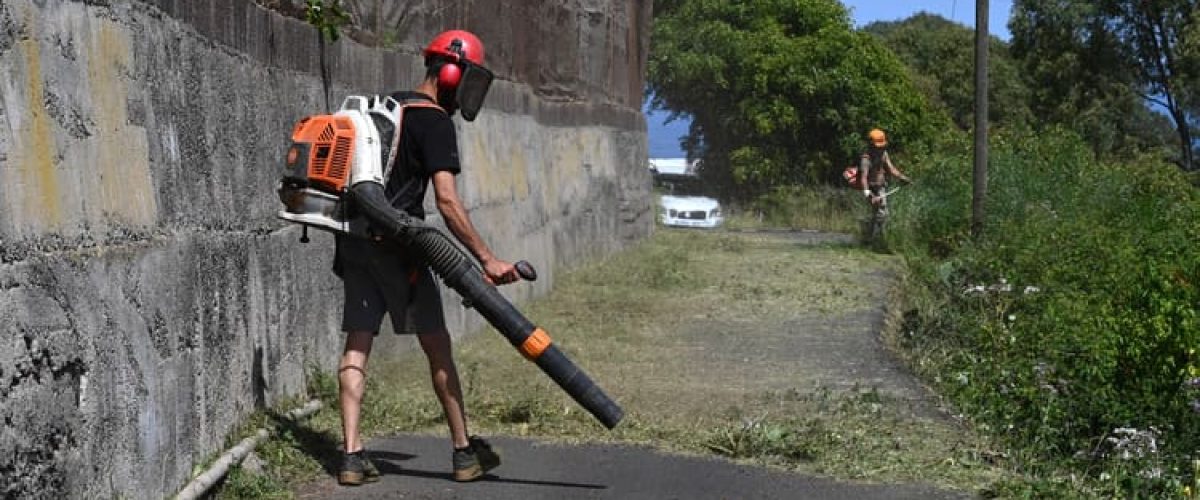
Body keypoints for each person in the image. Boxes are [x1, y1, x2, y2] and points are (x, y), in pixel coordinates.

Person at [334, 29, 518, 486]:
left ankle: (352, 457)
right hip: (405, 249)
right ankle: (462, 452)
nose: (466, 92)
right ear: (452, 72)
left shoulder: (384, 107)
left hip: (356, 243)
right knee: (437, 347)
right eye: (468, 80)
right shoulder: (434, 121)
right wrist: (487, 259)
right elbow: (448, 203)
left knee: (358, 344)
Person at [858, 128, 912, 217]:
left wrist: (904, 178)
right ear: (871, 145)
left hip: (881, 187)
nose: (880, 148)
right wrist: (868, 194)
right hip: (871, 189)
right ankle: (873, 229)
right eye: (877, 147)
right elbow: (863, 178)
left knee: (882, 212)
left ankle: (872, 228)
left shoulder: (883, 154)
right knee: (881, 212)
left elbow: (891, 169)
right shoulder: (866, 159)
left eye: (881, 146)